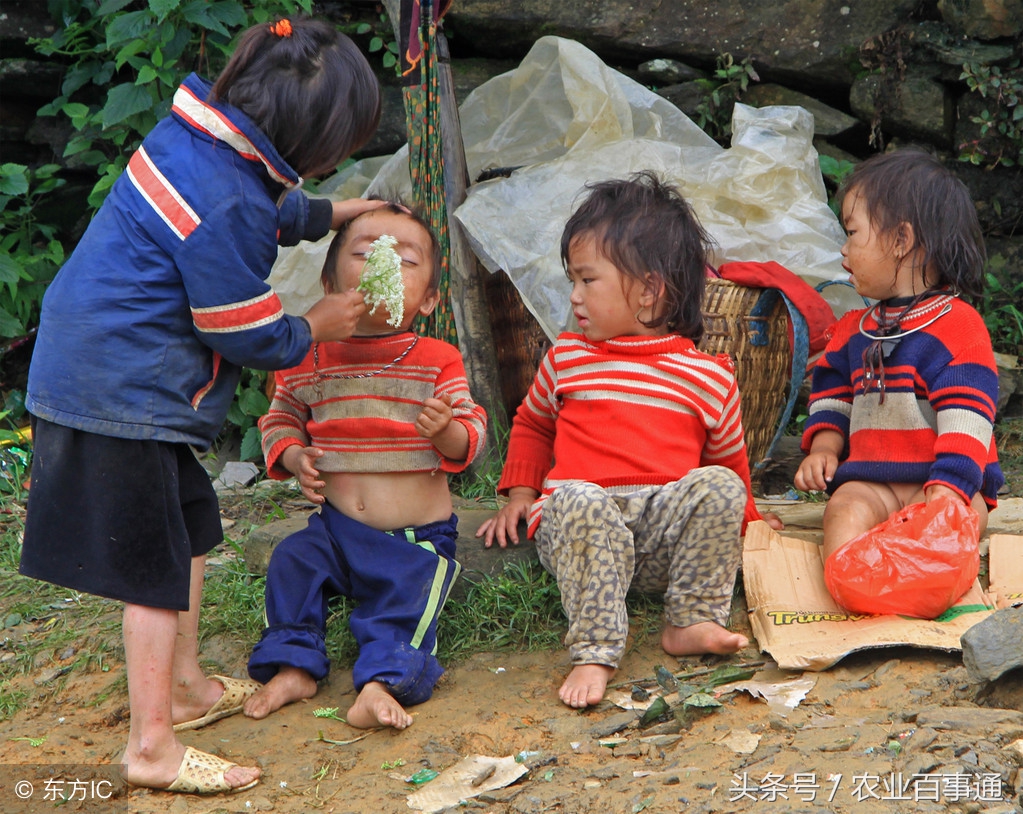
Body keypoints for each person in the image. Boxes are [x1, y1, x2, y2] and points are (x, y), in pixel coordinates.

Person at [20, 17, 386, 794]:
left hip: (109, 367)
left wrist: (328, 213)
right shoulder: (224, 201)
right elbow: (240, 328)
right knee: (151, 569)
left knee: (188, 529)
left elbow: (262, 202)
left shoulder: (202, 144)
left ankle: (184, 689)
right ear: (306, 141)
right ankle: (150, 746)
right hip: (118, 391)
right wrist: (314, 326)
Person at [477, 171, 780, 709]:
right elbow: (533, 423)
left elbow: (729, 465)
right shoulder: (568, 357)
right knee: (577, 496)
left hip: (661, 541)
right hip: (583, 532)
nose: (573, 297)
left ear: (648, 290)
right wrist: (521, 494)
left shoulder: (708, 376)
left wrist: (752, 524)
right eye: (572, 281)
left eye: (587, 281)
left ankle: (690, 618)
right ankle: (594, 649)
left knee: (718, 486)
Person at [243, 202, 487, 730]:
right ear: (331, 283)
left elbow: (472, 431)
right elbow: (280, 416)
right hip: (334, 530)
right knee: (292, 561)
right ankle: (294, 665)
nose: (385, 262)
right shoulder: (308, 357)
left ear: (429, 299)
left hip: (413, 538)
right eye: (365, 252)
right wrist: (291, 452)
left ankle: (381, 681)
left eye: (405, 258)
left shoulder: (436, 358)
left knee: (410, 592)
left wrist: (445, 431)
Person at [794, 149, 1003, 566]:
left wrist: (947, 492)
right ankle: (858, 583)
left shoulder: (957, 326)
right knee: (842, 512)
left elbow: (968, 417)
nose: (844, 248)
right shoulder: (855, 329)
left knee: (958, 521)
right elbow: (834, 394)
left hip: (944, 482)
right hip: (873, 482)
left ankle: (914, 578)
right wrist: (824, 447)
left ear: (901, 240)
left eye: (852, 233)